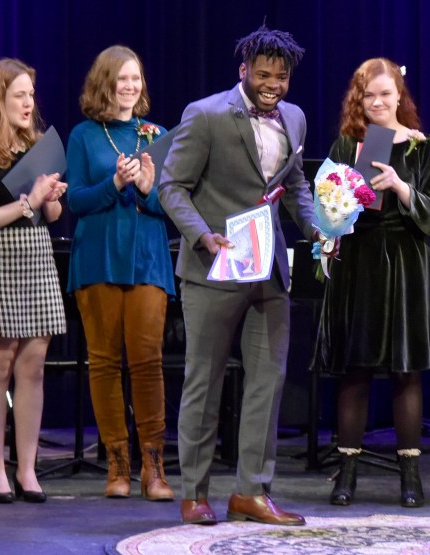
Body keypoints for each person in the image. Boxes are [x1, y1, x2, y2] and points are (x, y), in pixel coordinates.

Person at [158, 25, 319, 526]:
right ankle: (194, 493)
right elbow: (171, 187)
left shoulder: (294, 117)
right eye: (264, 73)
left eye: (282, 75)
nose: (273, 84)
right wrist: (203, 236)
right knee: (203, 384)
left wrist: (318, 229)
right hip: (213, 269)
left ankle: (251, 491)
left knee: (267, 383)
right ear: (243, 70)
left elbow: (293, 183)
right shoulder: (205, 115)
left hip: (268, 270)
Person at [311, 58, 430, 508]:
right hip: (359, 260)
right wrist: (330, 215)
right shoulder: (345, 145)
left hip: (406, 261)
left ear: (399, 96)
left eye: (385, 94)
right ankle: (345, 474)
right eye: (368, 95)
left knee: (405, 371)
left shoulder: (421, 147)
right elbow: (326, 207)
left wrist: (400, 186)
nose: (377, 102)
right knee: (356, 370)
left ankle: (411, 476)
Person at [66, 46, 175, 501]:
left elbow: (172, 204)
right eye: (121, 79)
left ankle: (154, 466)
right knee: (106, 361)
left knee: (147, 360)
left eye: (136, 79)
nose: (130, 87)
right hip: (98, 258)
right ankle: (117, 463)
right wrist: (113, 184)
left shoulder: (157, 134)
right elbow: (74, 202)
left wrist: (149, 188)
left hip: (148, 257)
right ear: (104, 83)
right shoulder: (83, 135)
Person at [0, 58, 67, 503]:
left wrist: (51, 199)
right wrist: (28, 202)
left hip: (36, 257)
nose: (29, 102)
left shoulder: (36, 146)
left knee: (33, 368)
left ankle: (27, 469)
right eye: (20, 94)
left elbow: (53, 215)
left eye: (31, 95)